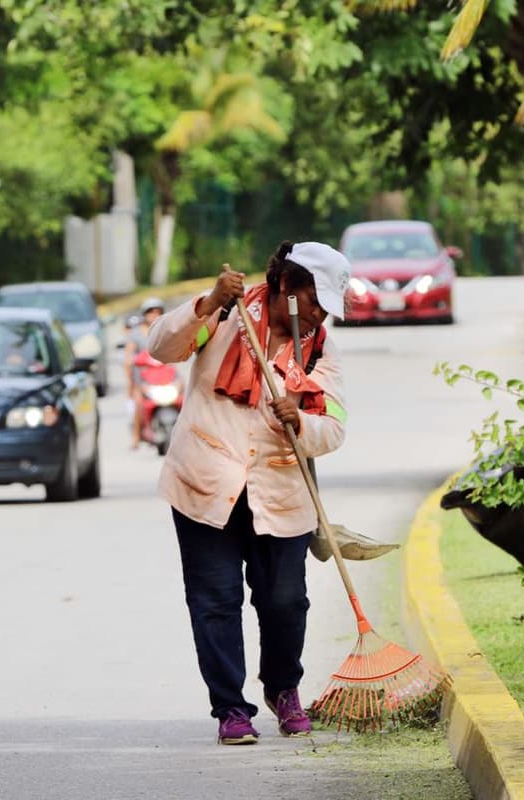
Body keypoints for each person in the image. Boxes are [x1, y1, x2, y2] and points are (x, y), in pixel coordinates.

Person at [146, 241, 349, 746]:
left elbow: (336, 426)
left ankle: (285, 690)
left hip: (280, 494)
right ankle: (231, 710)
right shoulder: (225, 314)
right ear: (285, 288)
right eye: (313, 300)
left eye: (326, 307)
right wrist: (210, 301)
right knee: (215, 600)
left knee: (285, 601)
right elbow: (162, 347)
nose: (318, 315)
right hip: (206, 484)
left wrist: (299, 421)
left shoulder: (321, 346)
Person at [124, 298, 165, 448]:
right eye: (151, 312)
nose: (154, 315)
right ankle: (135, 437)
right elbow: (128, 357)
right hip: (141, 377)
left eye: (157, 312)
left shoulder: (164, 331)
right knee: (138, 405)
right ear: (145, 314)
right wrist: (130, 378)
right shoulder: (136, 334)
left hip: (161, 375)